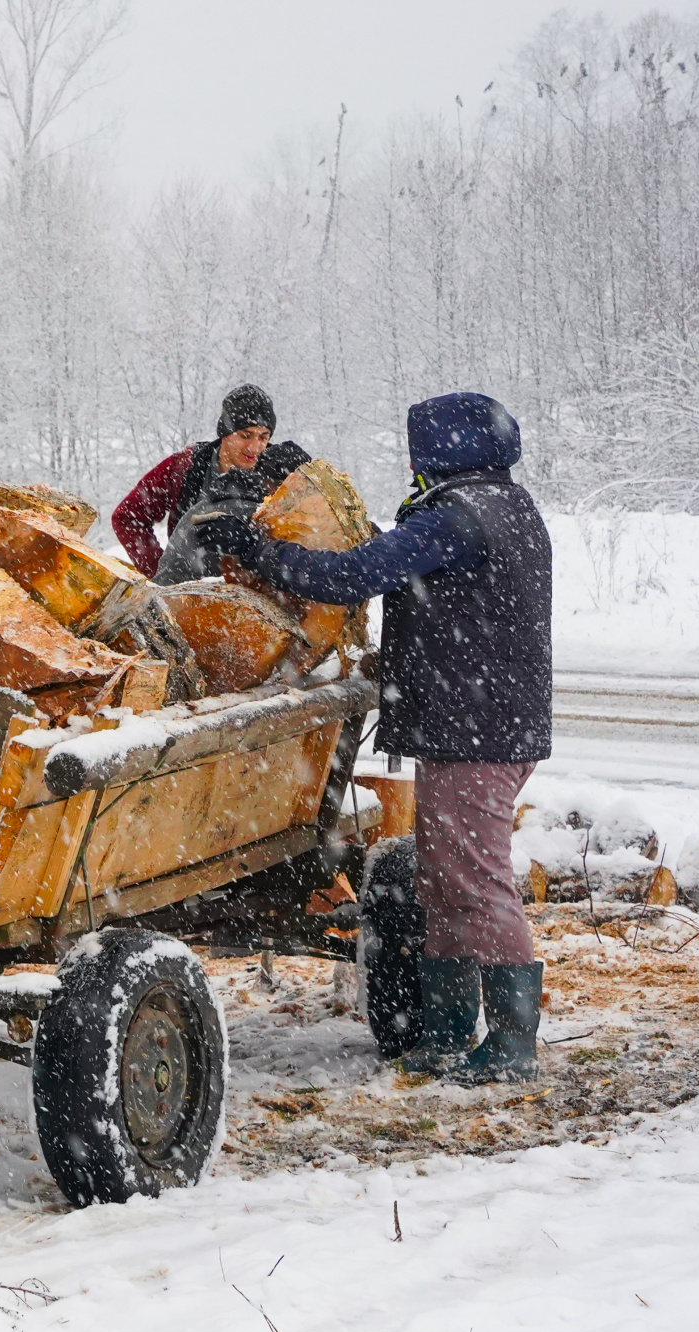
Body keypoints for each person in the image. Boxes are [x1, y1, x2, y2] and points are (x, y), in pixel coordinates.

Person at [196, 392, 551, 1083]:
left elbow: (355, 573)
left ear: (448, 450)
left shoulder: (460, 516)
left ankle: (511, 1045)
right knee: (442, 879)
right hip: (483, 722)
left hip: (477, 730)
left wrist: (261, 551)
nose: (415, 463)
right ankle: (446, 1031)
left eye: (422, 450)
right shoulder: (504, 504)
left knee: (475, 882)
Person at [112, 384, 316, 583]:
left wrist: (309, 477)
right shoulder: (185, 465)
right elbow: (127, 517)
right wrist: (160, 568)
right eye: (245, 435)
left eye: (264, 437)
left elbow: (312, 534)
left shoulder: (280, 472)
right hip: (187, 596)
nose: (255, 447)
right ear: (225, 432)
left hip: (258, 599)